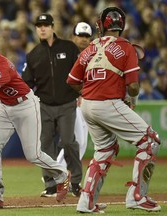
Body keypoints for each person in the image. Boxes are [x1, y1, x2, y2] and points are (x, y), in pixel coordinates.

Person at [67, 7, 161, 213]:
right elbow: (134, 87)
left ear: (101, 25)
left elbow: (72, 80)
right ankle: (138, 195)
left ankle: (86, 201)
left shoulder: (89, 48)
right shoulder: (126, 47)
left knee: (105, 150)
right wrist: (129, 98)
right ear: (122, 25)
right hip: (107, 102)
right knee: (150, 141)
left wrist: (89, 91)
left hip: (88, 104)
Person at [0, 31, 70, 209]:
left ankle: (62, 175)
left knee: (33, 155)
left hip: (25, 106)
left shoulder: (2, 66)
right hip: (5, 107)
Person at [22, 13, 82, 197]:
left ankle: (75, 182)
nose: (42, 28)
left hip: (66, 102)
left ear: (52, 27)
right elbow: (27, 82)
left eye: (45, 25)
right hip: (44, 104)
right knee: (45, 144)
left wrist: (81, 92)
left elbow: (80, 72)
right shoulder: (33, 54)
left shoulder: (69, 47)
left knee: (68, 141)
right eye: (39, 25)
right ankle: (51, 184)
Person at [57, 22, 93, 165]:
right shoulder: (65, 54)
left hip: (87, 101)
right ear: (73, 37)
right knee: (76, 140)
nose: (83, 39)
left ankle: (63, 175)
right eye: (80, 35)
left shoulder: (93, 55)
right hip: (70, 101)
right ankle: (56, 173)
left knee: (82, 142)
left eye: (86, 36)